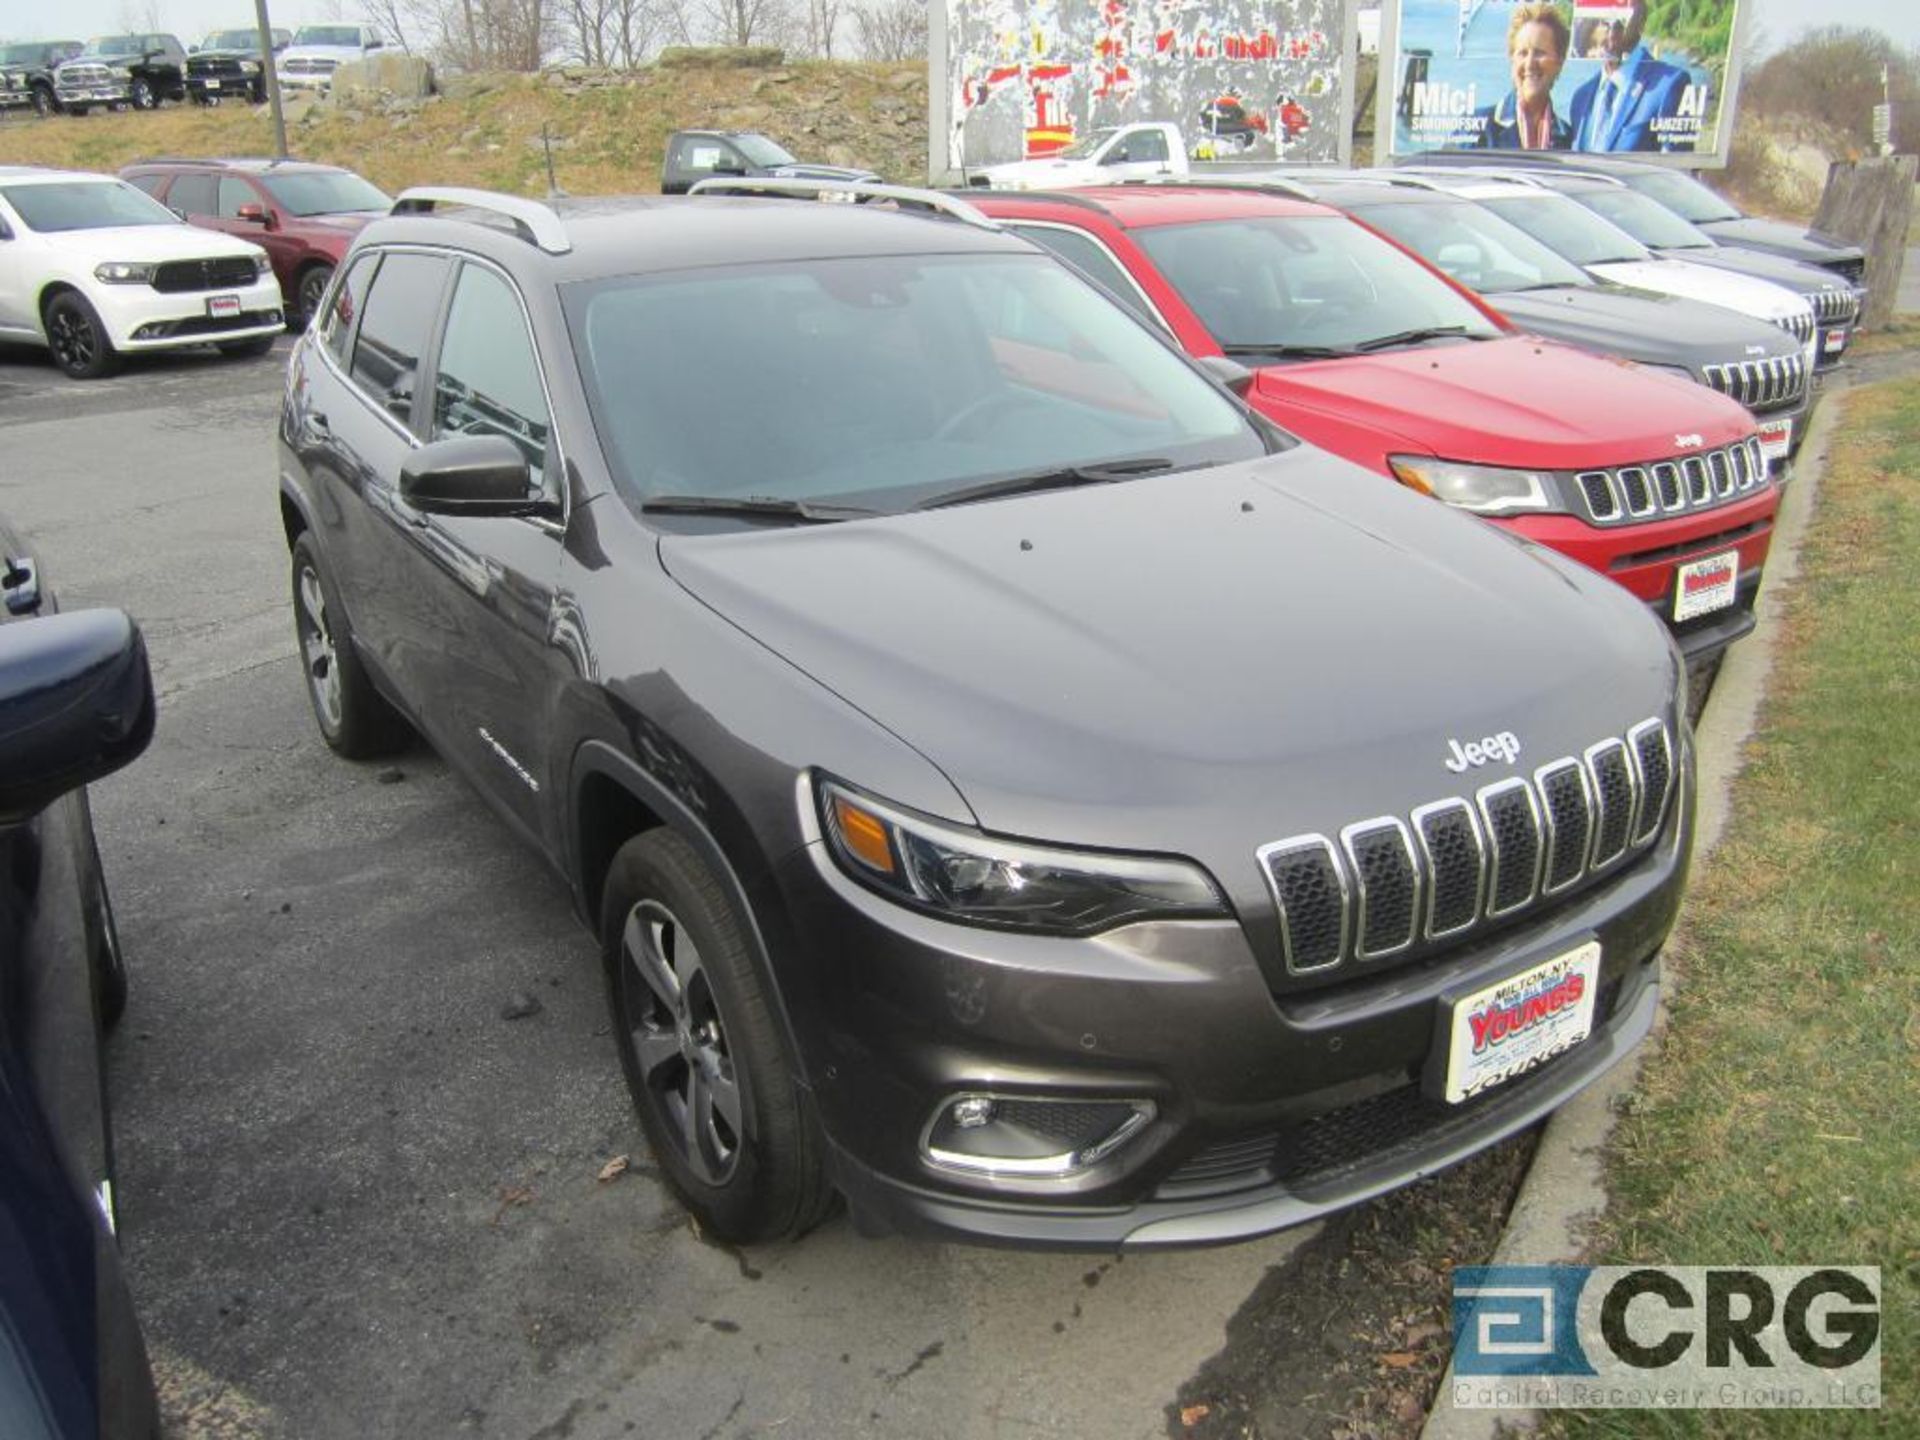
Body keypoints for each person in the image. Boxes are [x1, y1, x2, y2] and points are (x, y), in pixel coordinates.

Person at [1568, 0, 1692, 152]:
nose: (1614, 7)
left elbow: (1677, 168)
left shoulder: (1671, 85)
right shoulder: (1580, 98)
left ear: (1642, 17)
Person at [1471, 3, 1572, 151]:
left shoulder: (1569, 139)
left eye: (1539, 53)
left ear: (1559, 62)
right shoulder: (1477, 126)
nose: (1530, 63)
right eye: (1523, 53)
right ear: (1512, 60)